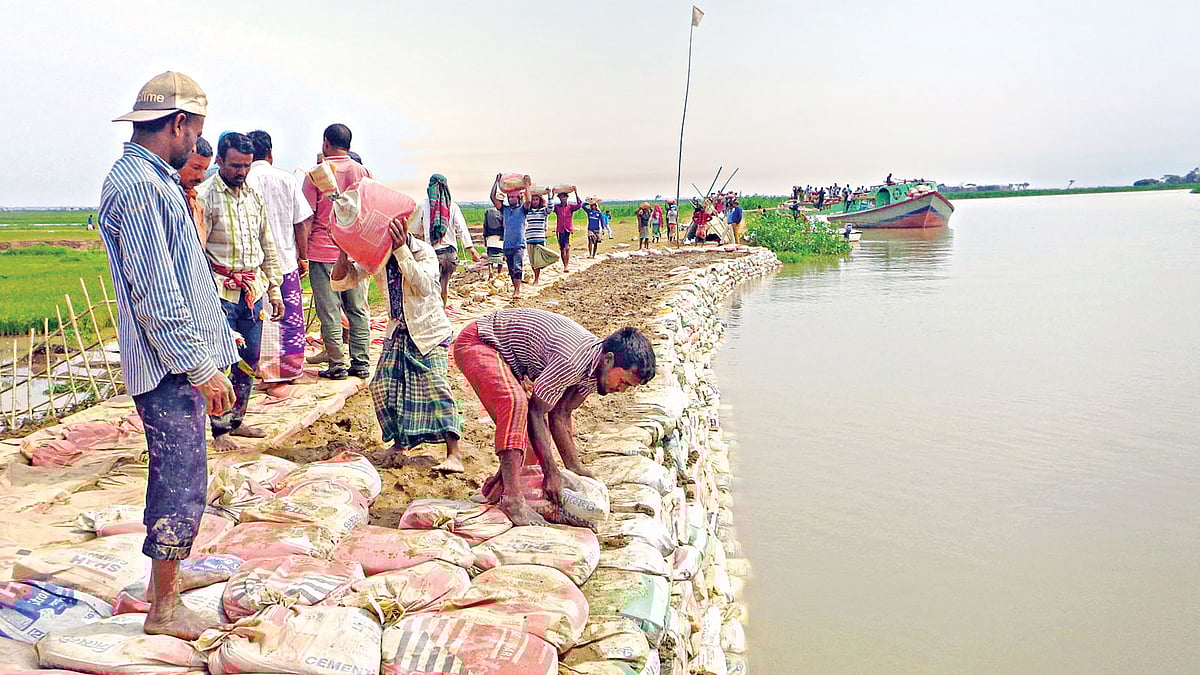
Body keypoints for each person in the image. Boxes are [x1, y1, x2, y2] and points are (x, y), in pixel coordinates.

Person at [100, 71, 238, 640]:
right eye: (197, 130)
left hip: (177, 359)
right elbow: (156, 296)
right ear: (179, 124)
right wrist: (201, 366)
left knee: (185, 476)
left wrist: (217, 342)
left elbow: (181, 277)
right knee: (178, 481)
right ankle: (163, 610)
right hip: (168, 367)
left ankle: (168, 586)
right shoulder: (140, 187)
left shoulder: (155, 181)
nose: (197, 141)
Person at [453, 308, 656, 525]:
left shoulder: (595, 373)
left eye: (628, 386)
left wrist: (575, 468)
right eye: (623, 382)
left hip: (508, 359)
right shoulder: (573, 360)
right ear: (608, 360)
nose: (621, 389)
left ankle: (495, 491)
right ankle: (512, 499)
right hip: (480, 341)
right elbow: (536, 411)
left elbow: (561, 413)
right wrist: (551, 472)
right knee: (516, 403)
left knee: (533, 448)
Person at [333, 216, 466, 473]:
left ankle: (454, 453)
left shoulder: (423, 252)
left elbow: (424, 286)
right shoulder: (378, 256)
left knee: (436, 386)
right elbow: (342, 281)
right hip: (398, 331)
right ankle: (398, 444)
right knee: (383, 387)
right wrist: (343, 251)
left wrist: (401, 249)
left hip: (428, 331)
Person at [198, 132, 284, 451]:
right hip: (220, 291)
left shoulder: (253, 196)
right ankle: (219, 429)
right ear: (220, 161)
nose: (242, 172)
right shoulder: (206, 197)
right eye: (235, 165)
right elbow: (197, 250)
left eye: (246, 165)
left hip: (252, 290)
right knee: (221, 358)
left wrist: (274, 290)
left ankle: (237, 418)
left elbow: (267, 244)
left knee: (249, 357)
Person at [245, 130, 313, 400]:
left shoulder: (244, 180)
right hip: (285, 259)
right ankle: (286, 372)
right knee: (288, 319)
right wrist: (303, 256)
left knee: (260, 320)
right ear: (270, 153)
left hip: (253, 264)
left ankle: (263, 372)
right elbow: (301, 222)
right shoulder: (286, 179)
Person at [302, 124, 373, 379]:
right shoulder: (362, 172)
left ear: (326, 143)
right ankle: (361, 362)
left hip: (323, 251)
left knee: (329, 310)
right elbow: (371, 210)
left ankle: (337, 365)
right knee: (357, 309)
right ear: (349, 145)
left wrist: (302, 253)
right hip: (356, 252)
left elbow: (307, 216)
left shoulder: (316, 174)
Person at [415, 174, 479, 307]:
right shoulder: (452, 206)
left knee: (433, 288)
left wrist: (425, 230)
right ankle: (442, 309)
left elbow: (416, 228)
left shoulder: (424, 205)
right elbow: (462, 228)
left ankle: (435, 312)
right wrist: (471, 249)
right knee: (444, 285)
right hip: (450, 255)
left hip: (433, 254)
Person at [489, 173, 531, 300]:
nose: (511, 199)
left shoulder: (522, 209)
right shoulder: (506, 210)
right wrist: (496, 182)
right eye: (509, 197)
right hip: (507, 245)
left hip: (519, 244)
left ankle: (517, 290)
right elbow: (492, 198)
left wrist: (527, 185)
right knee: (511, 269)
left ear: (519, 197)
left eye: (513, 197)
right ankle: (515, 288)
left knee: (518, 267)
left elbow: (529, 201)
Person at [178, 136, 212, 244]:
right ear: (179, 161)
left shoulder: (197, 203)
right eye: (196, 168)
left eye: (205, 170)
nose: (201, 176)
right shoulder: (163, 196)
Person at [524, 191, 551, 285]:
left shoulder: (543, 211)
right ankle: (535, 276)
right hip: (529, 239)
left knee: (537, 260)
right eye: (533, 200)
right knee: (532, 261)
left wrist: (549, 195)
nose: (535, 201)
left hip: (540, 239)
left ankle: (536, 279)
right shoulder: (527, 212)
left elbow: (550, 209)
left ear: (540, 201)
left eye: (537, 199)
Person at [552, 189, 582, 271]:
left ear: (567, 198)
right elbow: (549, 207)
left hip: (568, 230)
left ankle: (566, 266)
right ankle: (564, 265)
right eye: (561, 197)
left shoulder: (571, 207)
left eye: (564, 197)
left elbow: (579, 205)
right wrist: (552, 195)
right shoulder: (557, 207)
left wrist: (576, 192)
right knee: (562, 249)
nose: (563, 199)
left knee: (567, 248)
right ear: (559, 198)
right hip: (560, 230)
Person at [482, 205, 505, 277]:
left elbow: (485, 225)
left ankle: (491, 271)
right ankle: (499, 272)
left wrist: (485, 237)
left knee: (490, 256)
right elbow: (504, 225)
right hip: (500, 237)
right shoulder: (503, 211)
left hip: (490, 237)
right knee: (500, 256)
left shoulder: (488, 211)